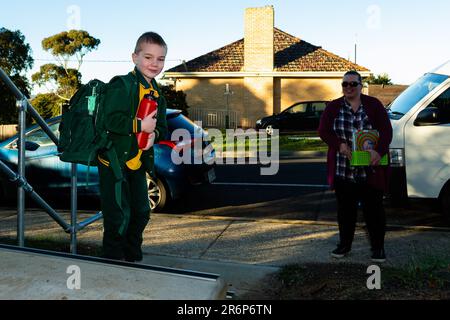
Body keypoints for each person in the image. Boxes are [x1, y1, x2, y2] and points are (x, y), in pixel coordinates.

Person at [99, 32, 168, 262]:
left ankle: (132, 257)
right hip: (113, 162)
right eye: (148, 57)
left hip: (137, 162)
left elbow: (163, 127)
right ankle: (112, 260)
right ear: (134, 57)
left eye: (160, 59)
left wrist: (154, 135)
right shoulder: (122, 85)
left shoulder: (157, 94)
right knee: (118, 215)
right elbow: (110, 120)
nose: (154, 64)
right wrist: (139, 125)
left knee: (141, 212)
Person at [318, 70, 392, 262]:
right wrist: (339, 145)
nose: (348, 88)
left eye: (353, 84)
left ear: (361, 85)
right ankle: (344, 245)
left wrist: (379, 151)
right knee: (345, 212)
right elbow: (323, 131)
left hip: (371, 169)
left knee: (374, 211)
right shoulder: (333, 107)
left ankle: (378, 248)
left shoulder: (373, 105)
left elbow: (386, 130)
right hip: (344, 169)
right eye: (345, 84)